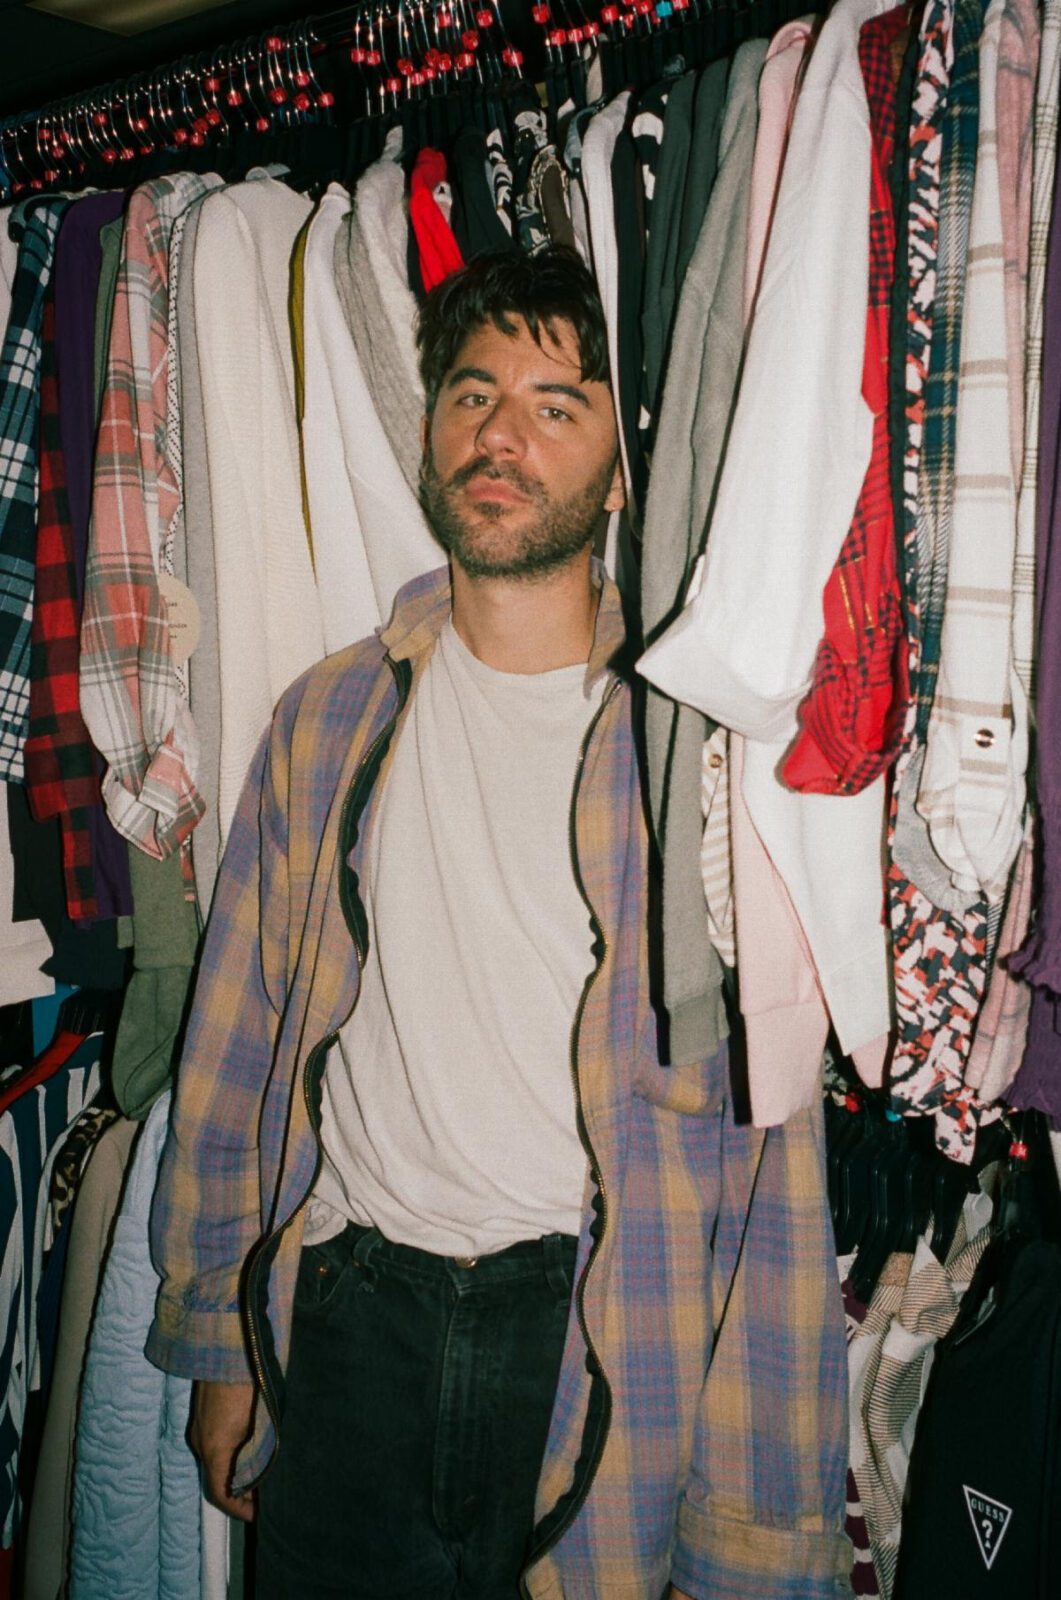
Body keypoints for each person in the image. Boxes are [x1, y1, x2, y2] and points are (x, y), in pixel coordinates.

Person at [147, 249, 852, 1599]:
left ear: (620, 469)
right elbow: (235, 1049)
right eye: (472, 396)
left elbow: (773, 1155)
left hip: (593, 1339)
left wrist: (750, 1526)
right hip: (351, 1318)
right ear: (428, 431)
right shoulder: (329, 718)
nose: (500, 435)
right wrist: (218, 1337)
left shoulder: (696, 756)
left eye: (553, 404)